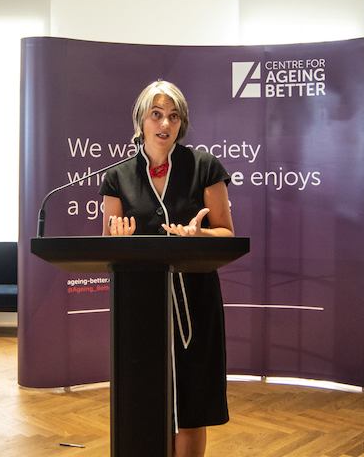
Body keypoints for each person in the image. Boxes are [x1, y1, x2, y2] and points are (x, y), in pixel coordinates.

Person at [99, 80, 234, 457]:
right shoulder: (117, 176)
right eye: (156, 114)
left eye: (173, 116)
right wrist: (119, 242)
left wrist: (199, 236)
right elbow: (106, 242)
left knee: (192, 406)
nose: (165, 123)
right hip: (141, 306)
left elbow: (226, 234)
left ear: (181, 123)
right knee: (144, 399)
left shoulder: (204, 167)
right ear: (141, 120)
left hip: (196, 301)